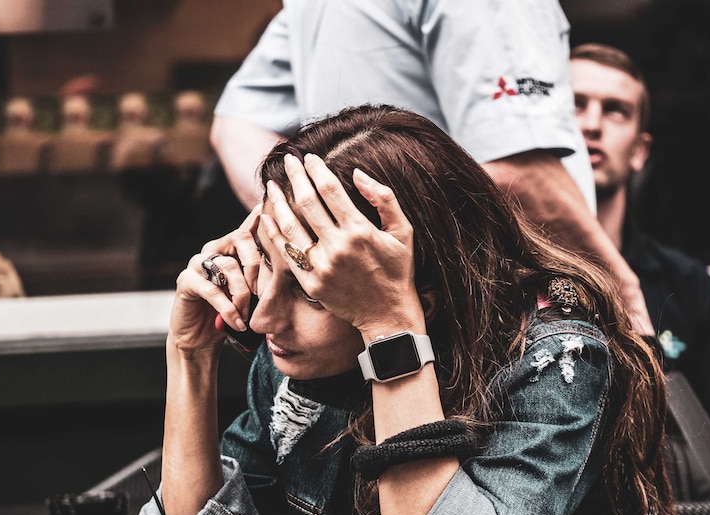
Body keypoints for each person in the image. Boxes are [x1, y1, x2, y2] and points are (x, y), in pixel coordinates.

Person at [133, 104, 680, 515]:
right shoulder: (295, 364)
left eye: (315, 292)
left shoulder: (554, 361)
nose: (263, 319)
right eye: (267, 272)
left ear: (422, 297)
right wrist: (190, 358)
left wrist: (390, 330)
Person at [209, 0, 656, 337]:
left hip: (370, 315)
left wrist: (330, 234)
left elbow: (236, 128)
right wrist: (623, 297)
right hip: (494, 324)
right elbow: (522, 173)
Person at [570, 42, 710, 503]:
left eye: (615, 111)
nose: (591, 123)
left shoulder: (686, 284)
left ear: (639, 150)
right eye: (575, 104)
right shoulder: (502, 272)